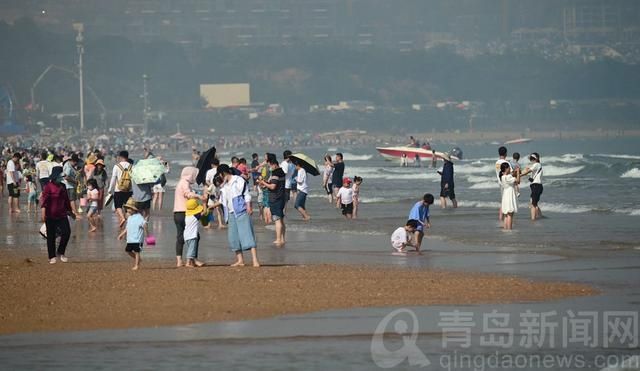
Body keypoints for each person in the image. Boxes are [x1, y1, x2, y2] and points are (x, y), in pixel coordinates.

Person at [216, 164, 260, 267]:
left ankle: (255, 260)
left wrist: (248, 206)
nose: (220, 177)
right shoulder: (224, 186)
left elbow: (246, 194)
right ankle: (240, 260)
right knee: (233, 237)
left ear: (223, 173)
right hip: (231, 213)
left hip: (241, 211)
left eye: (220, 175)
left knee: (247, 235)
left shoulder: (238, 180)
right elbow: (222, 201)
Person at [40, 166, 75, 264]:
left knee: (66, 233)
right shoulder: (48, 186)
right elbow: (44, 201)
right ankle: (51, 257)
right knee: (50, 236)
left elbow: (66, 201)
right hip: (50, 215)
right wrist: (43, 213)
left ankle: (60, 252)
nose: (62, 177)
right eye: (60, 175)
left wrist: (71, 212)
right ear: (55, 176)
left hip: (62, 214)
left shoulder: (63, 186)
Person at [173, 166, 206, 267]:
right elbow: (188, 194)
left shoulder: (180, 182)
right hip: (185, 213)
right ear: (190, 175)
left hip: (177, 213)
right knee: (194, 235)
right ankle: (192, 259)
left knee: (181, 236)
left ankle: (180, 260)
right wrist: (199, 196)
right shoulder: (185, 183)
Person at [258, 153, 286, 245]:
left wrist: (263, 182)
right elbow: (275, 183)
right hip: (281, 197)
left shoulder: (275, 173)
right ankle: (282, 239)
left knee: (277, 220)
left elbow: (273, 186)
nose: (270, 167)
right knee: (281, 219)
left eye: (270, 165)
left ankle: (278, 239)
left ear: (273, 164)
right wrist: (266, 182)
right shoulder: (281, 171)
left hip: (275, 199)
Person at [118, 198, 146, 270]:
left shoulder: (139, 217)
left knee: (137, 252)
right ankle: (138, 259)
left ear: (134, 209)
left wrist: (148, 234)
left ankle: (136, 265)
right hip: (130, 239)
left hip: (138, 239)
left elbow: (144, 224)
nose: (127, 210)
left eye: (129, 208)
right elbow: (127, 228)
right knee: (128, 251)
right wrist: (121, 234)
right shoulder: (130, 218)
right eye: (127, 208)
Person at [108, 150, 133, 227]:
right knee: (127, 207)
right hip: (129, 190)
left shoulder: (117, 166)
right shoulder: (131, 166)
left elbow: (113, 178)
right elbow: (133, 179)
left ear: (121, 157)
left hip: (118, 190)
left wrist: (110, 189)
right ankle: (129, 222)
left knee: (118, 206)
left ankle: (122, 218)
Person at [520, 152, 543, 221]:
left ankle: (533, 220)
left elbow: (527, 172)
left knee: (533, 204)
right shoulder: (536, 165)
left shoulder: (536, 164)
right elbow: (527, 170)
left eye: (533, 158)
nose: (532, 160)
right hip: (535, 186)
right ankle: (540, 216)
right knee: (534, 203)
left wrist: (519, 175)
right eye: (531, 159)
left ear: (536, 159)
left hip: (536, 186)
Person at [184, 199, 206, 267]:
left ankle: (192, 262)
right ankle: (188, 263)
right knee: (191, 250)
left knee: (190, 248)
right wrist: (204, 203)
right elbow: (204, 212)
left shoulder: (187, 215)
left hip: (186, 235)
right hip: (192, 235)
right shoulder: (195, 216)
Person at [499, 162, 520, 230]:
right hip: (510, 195)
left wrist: (514, 173)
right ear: (506, 168)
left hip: (505, 195)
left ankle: (505, 229)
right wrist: (518, 173)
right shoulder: (508, 177)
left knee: (506, 215)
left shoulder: (502, 177)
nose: (510, 169)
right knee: (510, 214)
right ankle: (510, 229)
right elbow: (518, 181)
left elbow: (511, 177)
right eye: (508, 168)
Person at [495, 146, 511, 221]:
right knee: (507, 203)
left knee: (503, 202)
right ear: (506, 153)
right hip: (506, 184)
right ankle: (506, 219)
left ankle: (501, 218)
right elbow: (510, 172)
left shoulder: (497, 163)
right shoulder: (506, 163)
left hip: (500, 183)